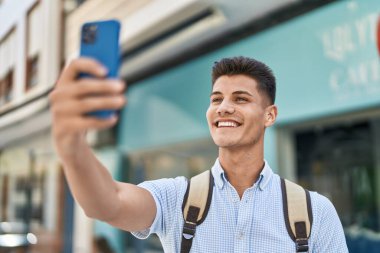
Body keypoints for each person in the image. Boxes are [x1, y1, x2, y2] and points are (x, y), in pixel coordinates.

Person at [49, 56, 348, 252]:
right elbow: (108, 203)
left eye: (240, 99)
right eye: (216, 99)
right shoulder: (176, 198)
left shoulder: (314, 213)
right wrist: (71, 146)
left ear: (269, 116)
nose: (224, 107)